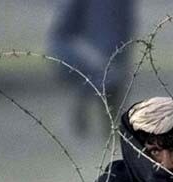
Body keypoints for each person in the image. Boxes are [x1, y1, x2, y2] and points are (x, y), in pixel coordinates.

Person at [48, 0, 135, 135]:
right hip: (84, 54)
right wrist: (87, 54)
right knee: (103, 82)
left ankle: (111, 131)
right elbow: (62, 33)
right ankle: (90, 121)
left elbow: (125, 27)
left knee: (111, 87)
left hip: (111, 56)